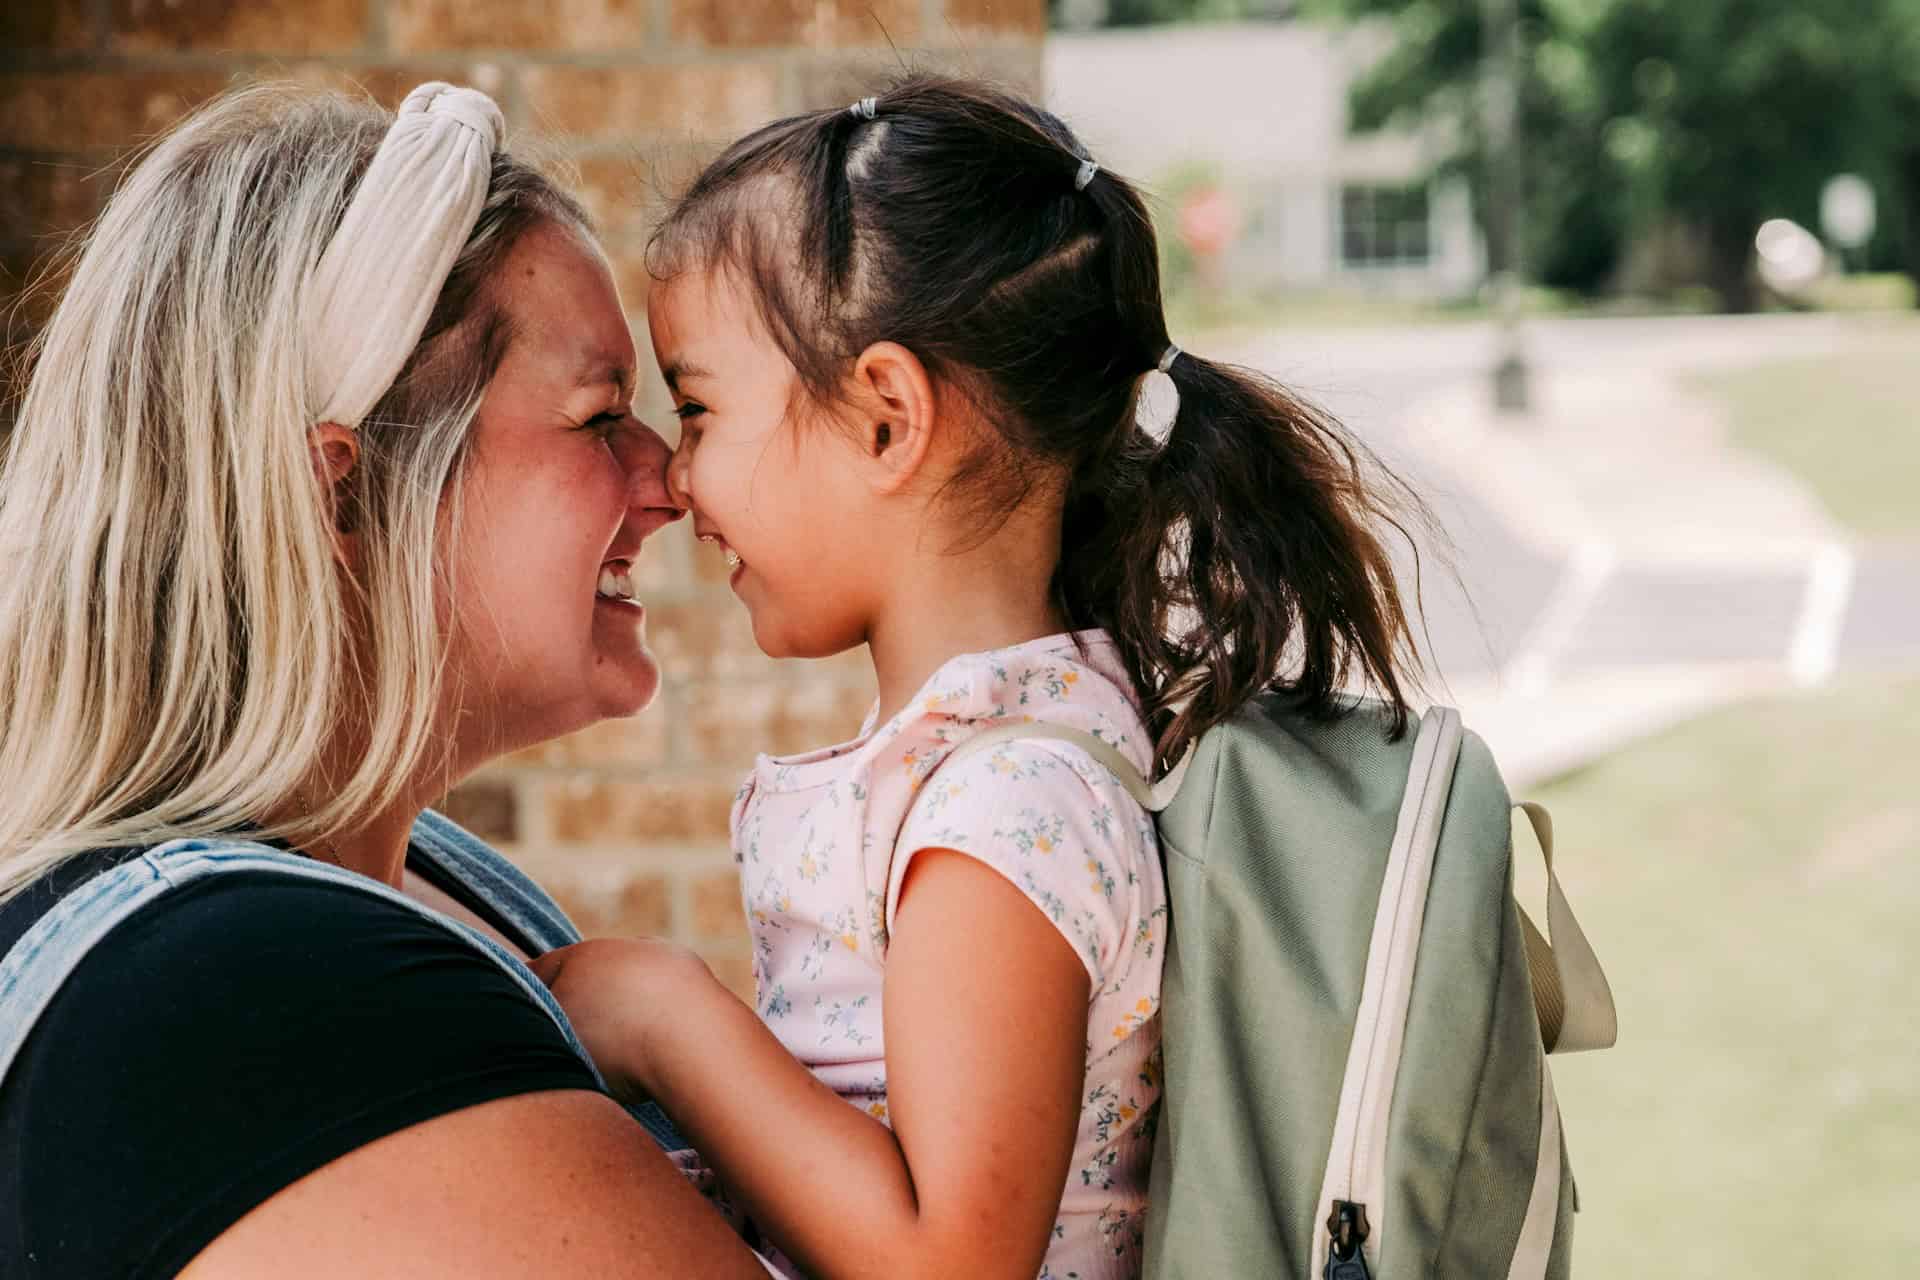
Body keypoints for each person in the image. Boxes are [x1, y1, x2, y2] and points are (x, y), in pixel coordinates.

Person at [533, 75, 1426, 1280]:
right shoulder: (988, 770)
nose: (680, 480)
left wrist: (666, 1017)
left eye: (696, 409)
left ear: (889, 417)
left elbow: (944, 1262)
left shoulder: (1001, 812)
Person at [0, 82, 774, 1278]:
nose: (667, 478)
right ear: (344, 492)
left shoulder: (435, 887)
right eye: (600, 415)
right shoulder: (252, 985)